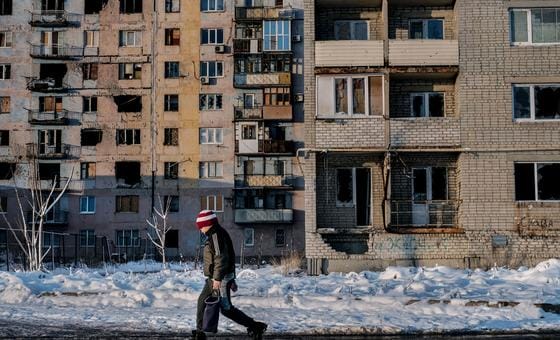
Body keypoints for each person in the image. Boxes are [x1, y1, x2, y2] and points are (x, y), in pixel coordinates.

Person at [192, 210, 267, 340]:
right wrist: (232, 278)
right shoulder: (216, 234)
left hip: (219, 278)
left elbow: (221, 258)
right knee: (202, 301)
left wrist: (219, 278)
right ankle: (200, 331)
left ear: (207, 224)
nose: (201, 230)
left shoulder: (216, 235)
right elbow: (230, 256)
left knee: (226, 309)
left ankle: (255, 326)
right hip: (216, 277)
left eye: (201, 226)